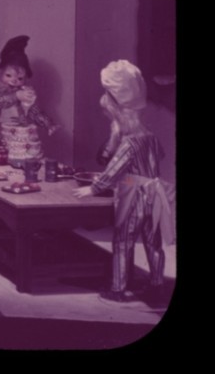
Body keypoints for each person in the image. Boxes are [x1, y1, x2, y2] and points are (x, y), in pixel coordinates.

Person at [73, 60, 175, 306]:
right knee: (153, 243)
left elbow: (113, 169)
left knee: (122, 242)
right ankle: (156, 286)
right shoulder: (149, 136)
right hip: (155, 193)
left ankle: (118, 288)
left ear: (117, 111)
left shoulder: (129, 143)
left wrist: (93, 188)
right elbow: (159, 156)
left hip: (133, 195)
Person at [0, 35, 58, 157]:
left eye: (20, 78)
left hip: (20, 138)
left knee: (21, 157)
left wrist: (48, 123)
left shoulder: (25, 92)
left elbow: (34, 111)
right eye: (8, 76)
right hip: (0, 133)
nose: (14, 81)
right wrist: (16, 96)